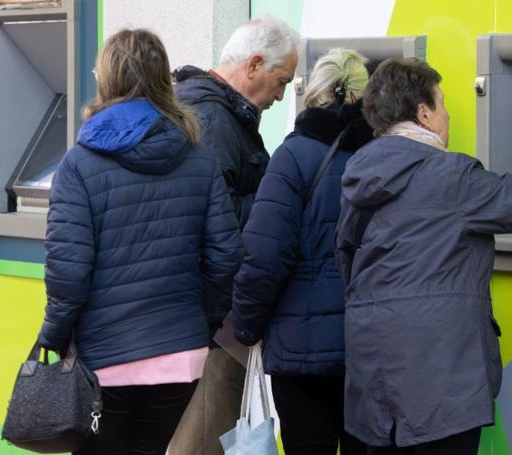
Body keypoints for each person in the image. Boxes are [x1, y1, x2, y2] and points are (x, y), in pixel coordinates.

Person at [335, 58, 512, 455]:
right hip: (439, 374)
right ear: (423, 113)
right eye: (442, 103)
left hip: (374, 371)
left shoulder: (360, 173)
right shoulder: (449, 176)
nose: (449, 114)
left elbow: (346, 258)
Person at [37, 28, 244, 455]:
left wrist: (53, 336)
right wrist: (196, 317)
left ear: (107, 79)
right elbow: (226, 255)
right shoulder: (199, 158)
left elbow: (69, 271)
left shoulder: (80, 163)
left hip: (103, 359)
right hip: (179, 355)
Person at [168, 15, 300, 455]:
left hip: (196, 315)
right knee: (204, 437)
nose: (281, 96)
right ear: (255, 65)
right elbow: (212, 219)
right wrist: (271, 206)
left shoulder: (205, 109)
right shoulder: (215, 119)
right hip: (213, 322)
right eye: (280, 81)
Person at [232, 48, 373, 455]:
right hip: (368, 346)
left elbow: (263, 256)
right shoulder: (382, 158)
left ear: (313, 94)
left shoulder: (292, 156)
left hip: (300, 352)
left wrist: (247, 325)